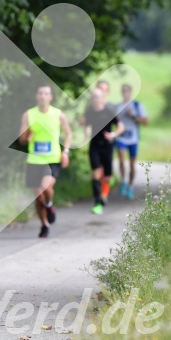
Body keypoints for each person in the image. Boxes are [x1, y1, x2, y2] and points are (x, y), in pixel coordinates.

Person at [19, 85, 72, 238]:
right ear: (37, 96)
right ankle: (44, 224)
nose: (43, 96)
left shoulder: (58, 115)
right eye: (40, 93)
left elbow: (68, 134)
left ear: (51, 97)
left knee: (46, 188)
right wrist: (27, 133)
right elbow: (22, 139)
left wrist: (66, 152)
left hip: (52, 159)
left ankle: (49, 206)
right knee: (38, 196)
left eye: (46, 93)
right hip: (34, 160)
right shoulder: (28, 115)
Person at [82, 88, 124, 215]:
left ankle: (105, 193)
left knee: (107, 177)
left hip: (107, 146)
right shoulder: (90, 110)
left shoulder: (110, 111)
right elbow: (86, 124)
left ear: (102, 98)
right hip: (94, 146)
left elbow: (121, 127)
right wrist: (86, 132)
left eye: (97, 97)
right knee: (95, 173)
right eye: (93, 97)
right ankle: (98, 203)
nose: (95, 99)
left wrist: (113, 134)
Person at [116, 84, 148, 199]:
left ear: (130, 93)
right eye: (123, 91)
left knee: (132, 164)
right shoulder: (118, 106)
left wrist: (133, 116)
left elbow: (145, 122)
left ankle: (131, 186)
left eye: (127, 91)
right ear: (121, 93)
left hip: (133, 138)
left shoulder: (137, 105)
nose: (125, 93)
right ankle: (124, 180)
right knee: (121, 159)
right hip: (121, 137)